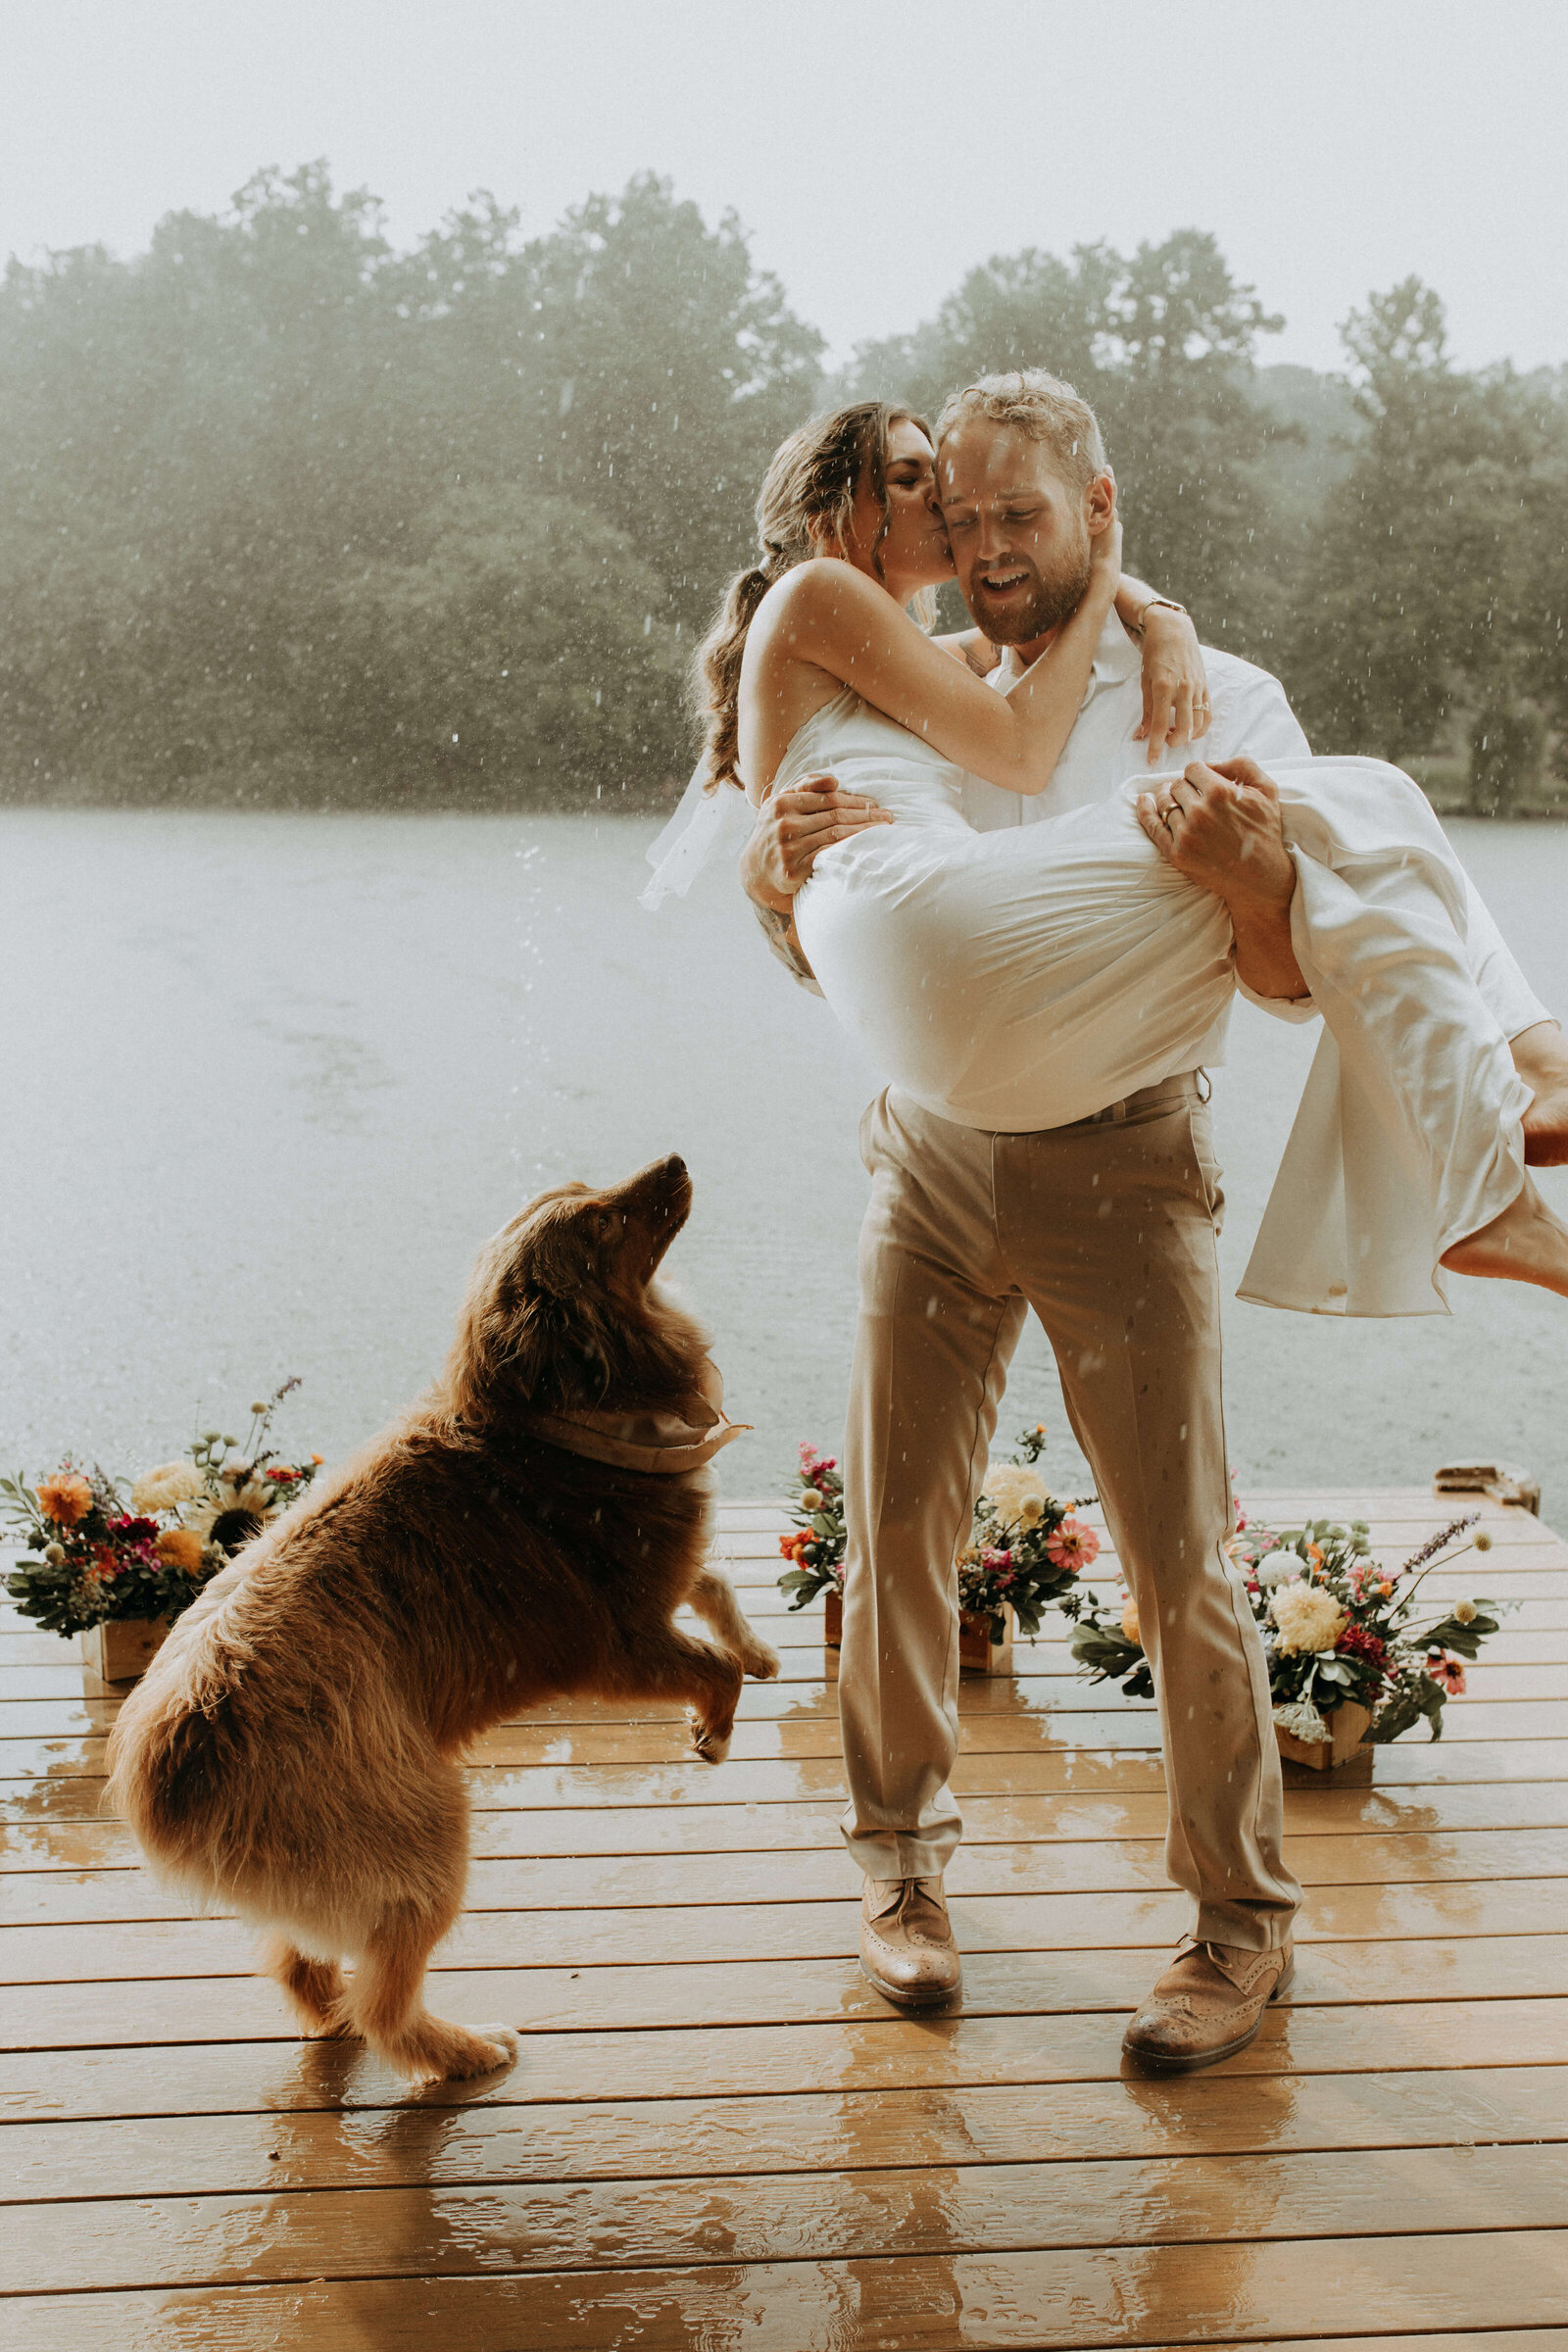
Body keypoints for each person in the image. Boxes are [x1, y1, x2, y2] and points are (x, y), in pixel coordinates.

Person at [670, 379, 1568, 2069]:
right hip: (928, 1156)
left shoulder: (1220, 696)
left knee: (1183, 1568)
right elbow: (855, 957)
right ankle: (901, 1879)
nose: (988, 548)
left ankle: (1237, 1930)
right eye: (964, 518)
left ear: (1099, 503)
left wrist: (1246, 882)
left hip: (1126, 1164)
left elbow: (1299, 984)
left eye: (1020, 518)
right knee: (896, 1539)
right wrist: (769, 879)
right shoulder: (918, 673)